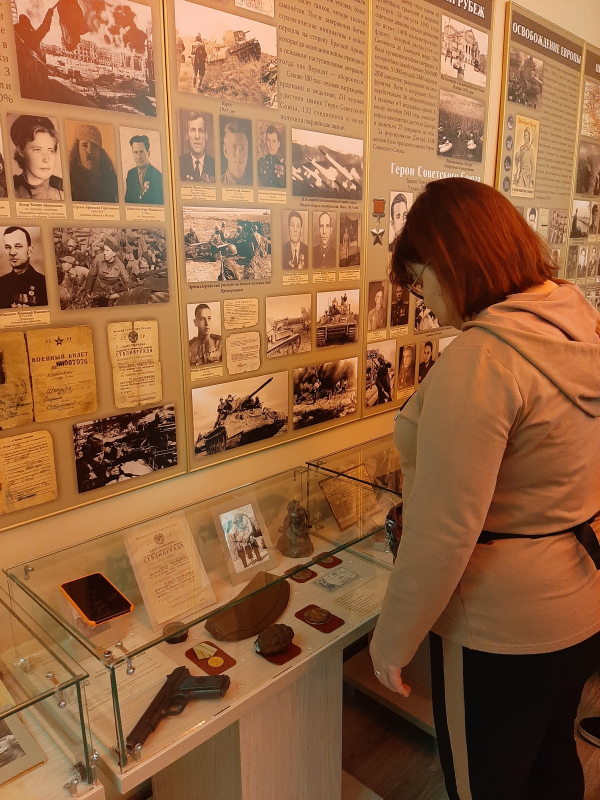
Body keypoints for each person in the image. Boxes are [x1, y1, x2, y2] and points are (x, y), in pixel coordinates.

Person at [370, 177, 600, 800]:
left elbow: (443, 531)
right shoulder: (576, 319)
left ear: (452, 261)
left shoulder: (483, 360)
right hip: (579, 601)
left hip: (500, 628)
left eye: (419, 279)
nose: (423, 298)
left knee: (484, 784)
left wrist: (392, 640)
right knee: (553, 762)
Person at [10, 115, 63, 200]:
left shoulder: (64, 192)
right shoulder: (7, 189)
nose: (46, 159)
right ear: (21, 150)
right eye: (37, 150)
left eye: (51, 151)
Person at [68, 123, 118, 203]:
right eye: (84, 145)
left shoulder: (112, 180)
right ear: (77, 150)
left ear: (100, 151)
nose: (89, 151)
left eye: (94, 146)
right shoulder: (70, 181)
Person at [0, 226, 47, 308]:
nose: (12, 253)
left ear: (29, 251)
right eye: (8, 247)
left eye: (18, 246)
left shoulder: (44, 283)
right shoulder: (2, 283)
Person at [84, 236, 132, 306]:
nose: (104, 253)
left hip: (111, 294)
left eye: (107, 250)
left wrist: (118, 294)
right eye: (104, 250)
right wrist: (87, 293)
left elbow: (128, 283)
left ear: (114, 253)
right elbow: (91, 276)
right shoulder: (98, 259)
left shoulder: (120, 265)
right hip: (97, 293)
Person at [124, 135, 163, 205]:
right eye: (136, 152)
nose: (139, 157)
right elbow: (127, 201)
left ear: (148, 153)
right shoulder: (131, 174)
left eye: (141, 152)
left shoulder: (158, 176)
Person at [180, 111, 215, 183]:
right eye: (193, 130)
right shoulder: (179, 163)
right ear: (187, 135)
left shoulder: (215, 165)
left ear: (206, 136)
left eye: (201, 131)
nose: (197, 136)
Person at [221, 121, 251, 185]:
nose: (238, 154)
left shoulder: (259, 184)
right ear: (225, 151)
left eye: (243, 148)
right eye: (234, 147)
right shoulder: (214, 182)